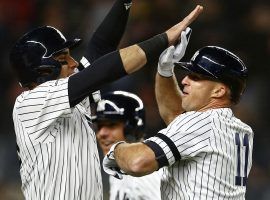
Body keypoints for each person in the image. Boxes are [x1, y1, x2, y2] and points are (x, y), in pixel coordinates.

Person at [9, 0, 204, 198]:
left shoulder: (66, 95)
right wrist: (164, 39)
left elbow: (100, 48)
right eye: (63, 59)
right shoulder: (30, 104)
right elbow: (104, 70)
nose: (73, 63)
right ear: (42, 69)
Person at [102, 29, 254, 199]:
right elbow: (177, 119)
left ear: (219, 91)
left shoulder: (202, 123)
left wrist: (115, 149)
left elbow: (138, 162)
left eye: (196, 77)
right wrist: (165, 70)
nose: (184, 80)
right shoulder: (240, 129)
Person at [94, 90, 161, 200]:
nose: (101, 134)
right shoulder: (118, 167)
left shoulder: (147, 174)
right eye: (100, 127)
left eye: (111, 125)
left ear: (132, 130)